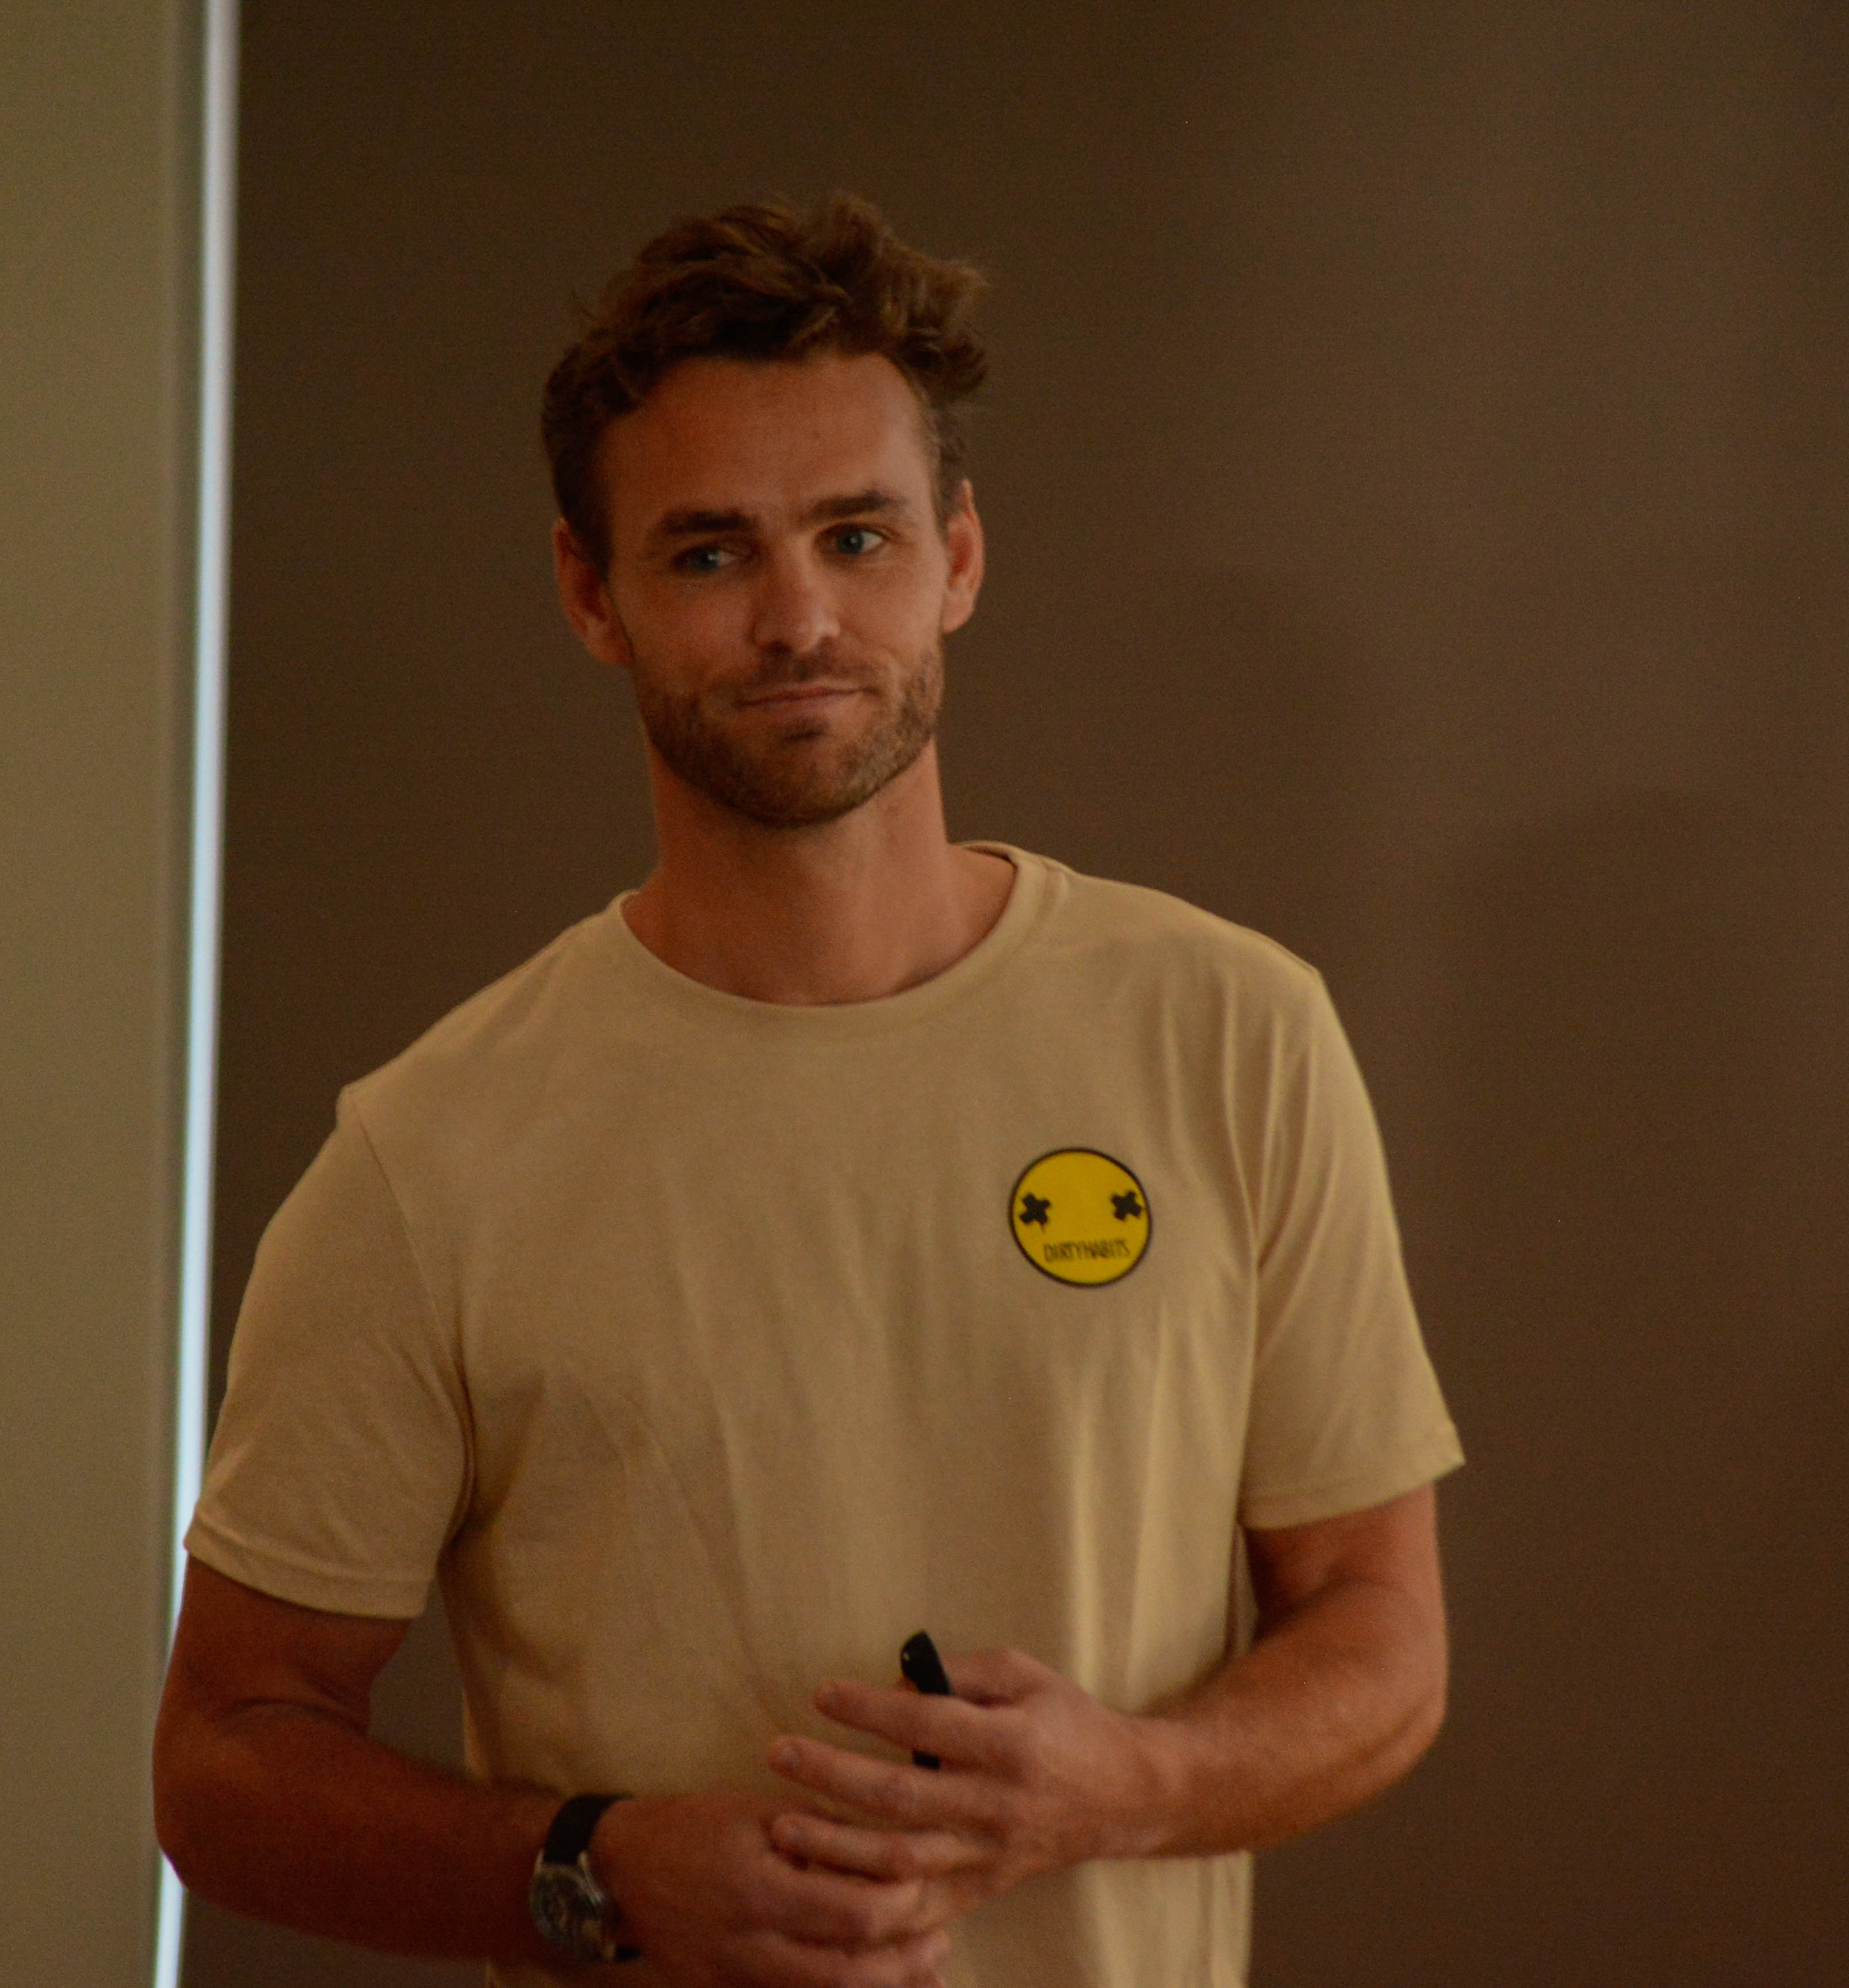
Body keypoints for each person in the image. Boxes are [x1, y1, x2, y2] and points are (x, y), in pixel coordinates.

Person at [154, 194, 1463, 1988]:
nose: (799, 619)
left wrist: (1126, 1787)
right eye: (709, 555)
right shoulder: (430, 1159)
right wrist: (594, 1873)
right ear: (591, 594)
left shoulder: (1231, 1034)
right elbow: (225, 1759)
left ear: (959, 558)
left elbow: (1383, 1635)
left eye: (858, 536)